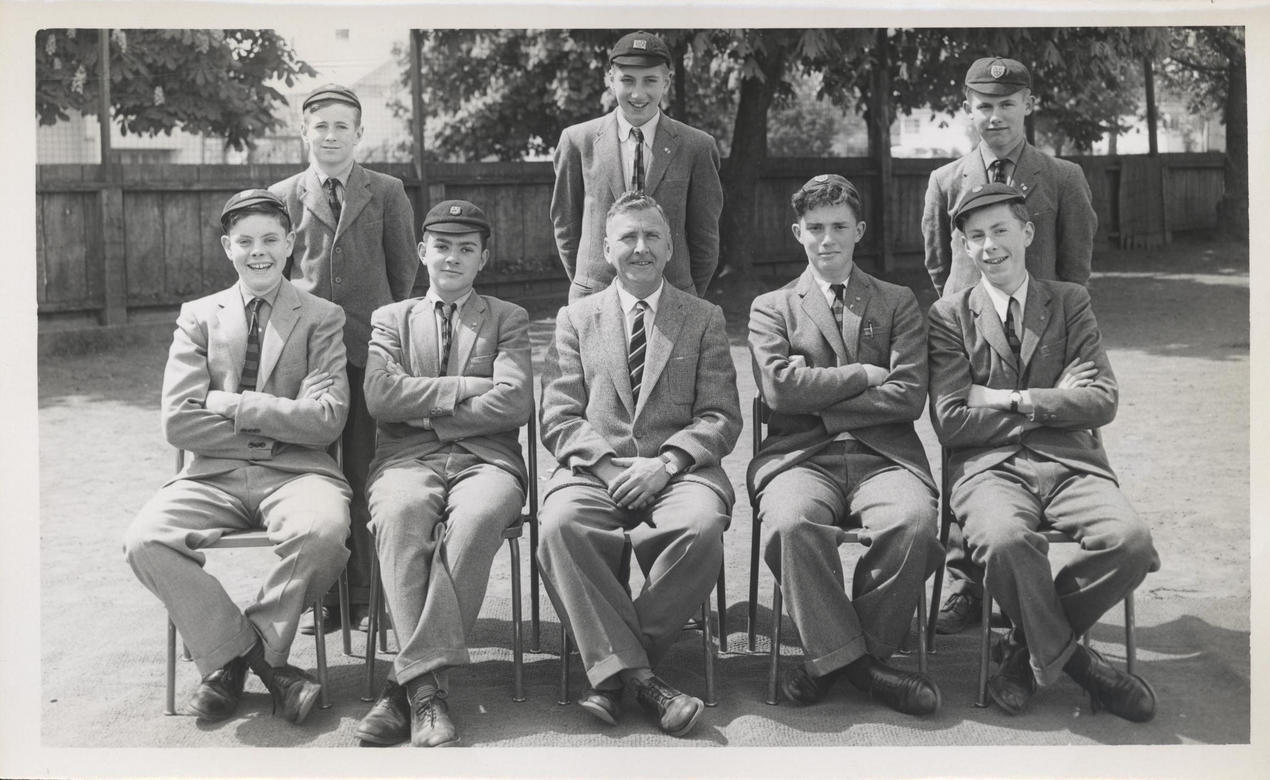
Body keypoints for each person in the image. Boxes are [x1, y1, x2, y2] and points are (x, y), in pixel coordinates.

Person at [927, 182, 1159, 722]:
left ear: (1027, 233)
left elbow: (1102, 400)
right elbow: (952, 421)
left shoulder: (1070, 301)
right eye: (976, 236)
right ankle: (1080, 664)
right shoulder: (947, 316)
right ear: (963, 247)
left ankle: (1020, 653)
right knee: (1005, 541)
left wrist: (1015, 399)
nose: (990, 246)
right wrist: (1058, 398)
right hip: (988, 473)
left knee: (1130, 542)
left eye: (1001, 230)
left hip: (1072, 465)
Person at [123, 189, 352, 726]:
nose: (259, 252)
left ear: (290, 243)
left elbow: (327, 418)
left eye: (271, 239)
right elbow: (178, 421)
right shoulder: (198, 316)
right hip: (211, 475)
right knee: (145, 540)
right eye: (245, 241)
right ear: (228, 247)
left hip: (299, 474)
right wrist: (277, 424)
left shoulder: (322, 316)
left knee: (323, 533)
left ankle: (227, 666)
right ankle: (258, 661)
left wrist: (232, 404)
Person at [537, 191, 741, 738]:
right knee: (559, 525)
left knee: (700, 528)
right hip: (595, 471)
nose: (640, 248)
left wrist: (666, 465)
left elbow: (721, 417)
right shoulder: (575, 318)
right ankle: (647, 682)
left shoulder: (702, 318)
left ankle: (612, 673)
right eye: (627, 237)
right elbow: (558, 417)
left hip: (680, 474)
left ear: (671, 245)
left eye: (652, 236)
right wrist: (609, 470)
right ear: (606, 248)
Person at [748, 174, 942, 716]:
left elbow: (907, 397)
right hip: (800, 457)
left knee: (914, 523)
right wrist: (864, 372)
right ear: (797, 233)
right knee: (790, 523)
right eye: (815, 228)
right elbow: (779, 390)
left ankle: (840, 657)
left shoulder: (898, 300)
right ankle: (866, 671)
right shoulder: (772, 306)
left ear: (858, 231)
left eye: (839, 227)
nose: (827, 239)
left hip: (886, 456)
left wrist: (820, 397)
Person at [921, 57, 1099, 634]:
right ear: (968, 109)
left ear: (1027, 105)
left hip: (1038, 343)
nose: (994, 117)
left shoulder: (1062, 177)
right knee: (963, 455)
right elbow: (938, 266)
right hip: (970, 341)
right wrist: (966, 326)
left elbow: (1075, 273)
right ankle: (963, 584)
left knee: (1036, 452)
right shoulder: (947, 180)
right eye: (983, 106)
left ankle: (1021, 579)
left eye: (1006, 104)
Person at [352, 201, 533, 748]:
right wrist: (467, 387)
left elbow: (515, 403)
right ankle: (427, 693)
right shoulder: (391, 318)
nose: (452, 258)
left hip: (489, 461)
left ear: (483, 258)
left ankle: (406, 685)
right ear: (423, 252)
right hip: (404, 460)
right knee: (403, 514)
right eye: (443, 246)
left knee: (478, 519)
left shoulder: (508, 317)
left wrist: (425, 407)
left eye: (466, 249)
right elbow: (380, 397)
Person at [270, 84, 419, 635]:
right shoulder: (284, 194)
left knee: (362, 469)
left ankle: (366, 595)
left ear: (359, 134)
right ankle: (325, 597)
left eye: (341, 127)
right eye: (320, 126)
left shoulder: (386, 190)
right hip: (308, 361)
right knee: (314, 473)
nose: (330, 136)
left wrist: (380, 333)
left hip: (366, 353)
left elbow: (403, 272)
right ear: (303, 132)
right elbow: (280, 281)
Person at [551, 30, 724, 302]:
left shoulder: (697, 146)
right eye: (627, 80)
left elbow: (705, 238)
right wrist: (588, 282)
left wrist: (686, 296)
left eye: (650, 81)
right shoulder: (578, 141)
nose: (638, 93)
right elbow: (565, 227)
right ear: (611, 80)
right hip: (595, 296)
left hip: (673, 297)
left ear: (666, 82)